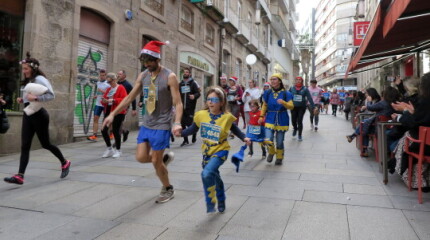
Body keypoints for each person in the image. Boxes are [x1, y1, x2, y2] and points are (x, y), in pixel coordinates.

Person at [103, 41, 182, 203]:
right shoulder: (144, 75)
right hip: (147, 122)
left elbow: (178, 102)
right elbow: (129, 97)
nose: (147, 64)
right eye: (144, 62)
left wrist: (177, 122)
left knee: (155, 161)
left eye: (149, 61)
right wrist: (112, 114)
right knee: (140, 157)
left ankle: (168, 188)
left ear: (157, 59)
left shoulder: (170, 76)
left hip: (162, 123)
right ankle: (163, 160)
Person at [181, 86, 250, 213]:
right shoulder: (201, 115)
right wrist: (180, 133)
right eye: (208, 99)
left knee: (206, 173)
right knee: (214, 176)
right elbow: (192, 129)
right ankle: (221, 198)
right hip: (206, 151)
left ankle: (210, 201)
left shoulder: (227, 117)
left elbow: (235, 129)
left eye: (214, 99)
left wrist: (244, 138)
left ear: (222, 102)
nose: (211, 102)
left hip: (221, 150)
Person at [4, 53, 71, 185]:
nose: (24, 71)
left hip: (39, 115)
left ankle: (65, 162)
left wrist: (36, 98)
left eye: (26, 69)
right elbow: (29, 96)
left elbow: (51, 95)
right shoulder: (30, 80)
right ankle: (20, 176)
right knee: (25, 145)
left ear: (33, 69)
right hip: (28, 114)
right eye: (23, 69)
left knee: (46, 144)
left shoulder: (40, 79)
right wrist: (22, 99)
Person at [389, 72, 430, 188]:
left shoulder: (425, 102)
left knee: (405, 137)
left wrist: (407, 112)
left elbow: (414, 123)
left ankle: (413, 178)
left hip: (425, 146)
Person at [346, 87, 400, 157]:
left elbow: (371, 108)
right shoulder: (396, 103)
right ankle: (354, 138)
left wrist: (369, 101)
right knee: (365, 125)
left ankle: (356, 140)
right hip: (389, 126)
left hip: (379, 128)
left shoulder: (383, 103)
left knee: (364, 127)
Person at [259, 73, 294, 165]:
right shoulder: (267, 92)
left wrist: (284, 103)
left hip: (282, 118)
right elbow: (264, 105)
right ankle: (271, 152)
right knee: (268, 138)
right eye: (271, 79)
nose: (272, 81)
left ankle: (279, 157)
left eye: (274, 79)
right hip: (270, 117)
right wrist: (261, 116)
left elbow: (291, 106)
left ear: (279, 81)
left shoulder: (286, 93)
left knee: (279, 141)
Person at [100, 73, 128, 158]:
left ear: (114, 80)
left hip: (118, 112)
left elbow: (124, 100)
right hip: (108, 112)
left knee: (116, 131)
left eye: (110, 82)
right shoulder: (109, 89)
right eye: (108, 82)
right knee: (103, 130)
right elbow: (104, 99)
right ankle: (109, 149)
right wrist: (104, 101)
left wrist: (112, 100)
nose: (110, 84)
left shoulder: (121, 88)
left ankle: (118, 150)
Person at [179, 67, 200, 146]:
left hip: (190, 107)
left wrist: (194, 96)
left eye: (187, 72)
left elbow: (198, 93)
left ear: (189, 74)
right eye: (184, 72)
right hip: (181, 107)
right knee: (182, 123)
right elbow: (178, 93)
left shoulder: (193, 83)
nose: (185, 73)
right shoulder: (180, 84)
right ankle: (185, 140)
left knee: (190, 123)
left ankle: (194, 134)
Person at [87, 69, 110, 141]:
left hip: (105, 104)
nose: (102, 77)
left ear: (106, 76)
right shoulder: (98, 83)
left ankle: (109, 133)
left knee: (106, 120)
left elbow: (109, 94)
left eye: (103, 75)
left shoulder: (108, 84)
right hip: (98, 103)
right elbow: (99, 93)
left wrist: (102, 91)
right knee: (95, 118)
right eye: (101, 75)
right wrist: (96, 95)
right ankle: (94, 135)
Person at [289, 76, 314, 141]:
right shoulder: (292, 88)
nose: (298, 81)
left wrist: (313, 106)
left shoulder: (305, 89)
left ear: (302, 81)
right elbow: (287, 96)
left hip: (301, 107)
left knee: (300, 120)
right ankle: (295, 128)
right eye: (297, 79)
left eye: (299, 80)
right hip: (293, 107)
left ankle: (300, 135)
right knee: (293, 121)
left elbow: (309, 97)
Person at [117, 70, 137, 142]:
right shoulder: (116, 83)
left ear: (124, 76)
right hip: (116, 105)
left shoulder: (128, 85)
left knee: (119, 122)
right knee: (117, 123)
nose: (118, 75)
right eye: (118, 74)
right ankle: (125, 131)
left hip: (124, 106)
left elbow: (133, 96)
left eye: (120, 74)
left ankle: (117, 141)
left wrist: (134, 109)